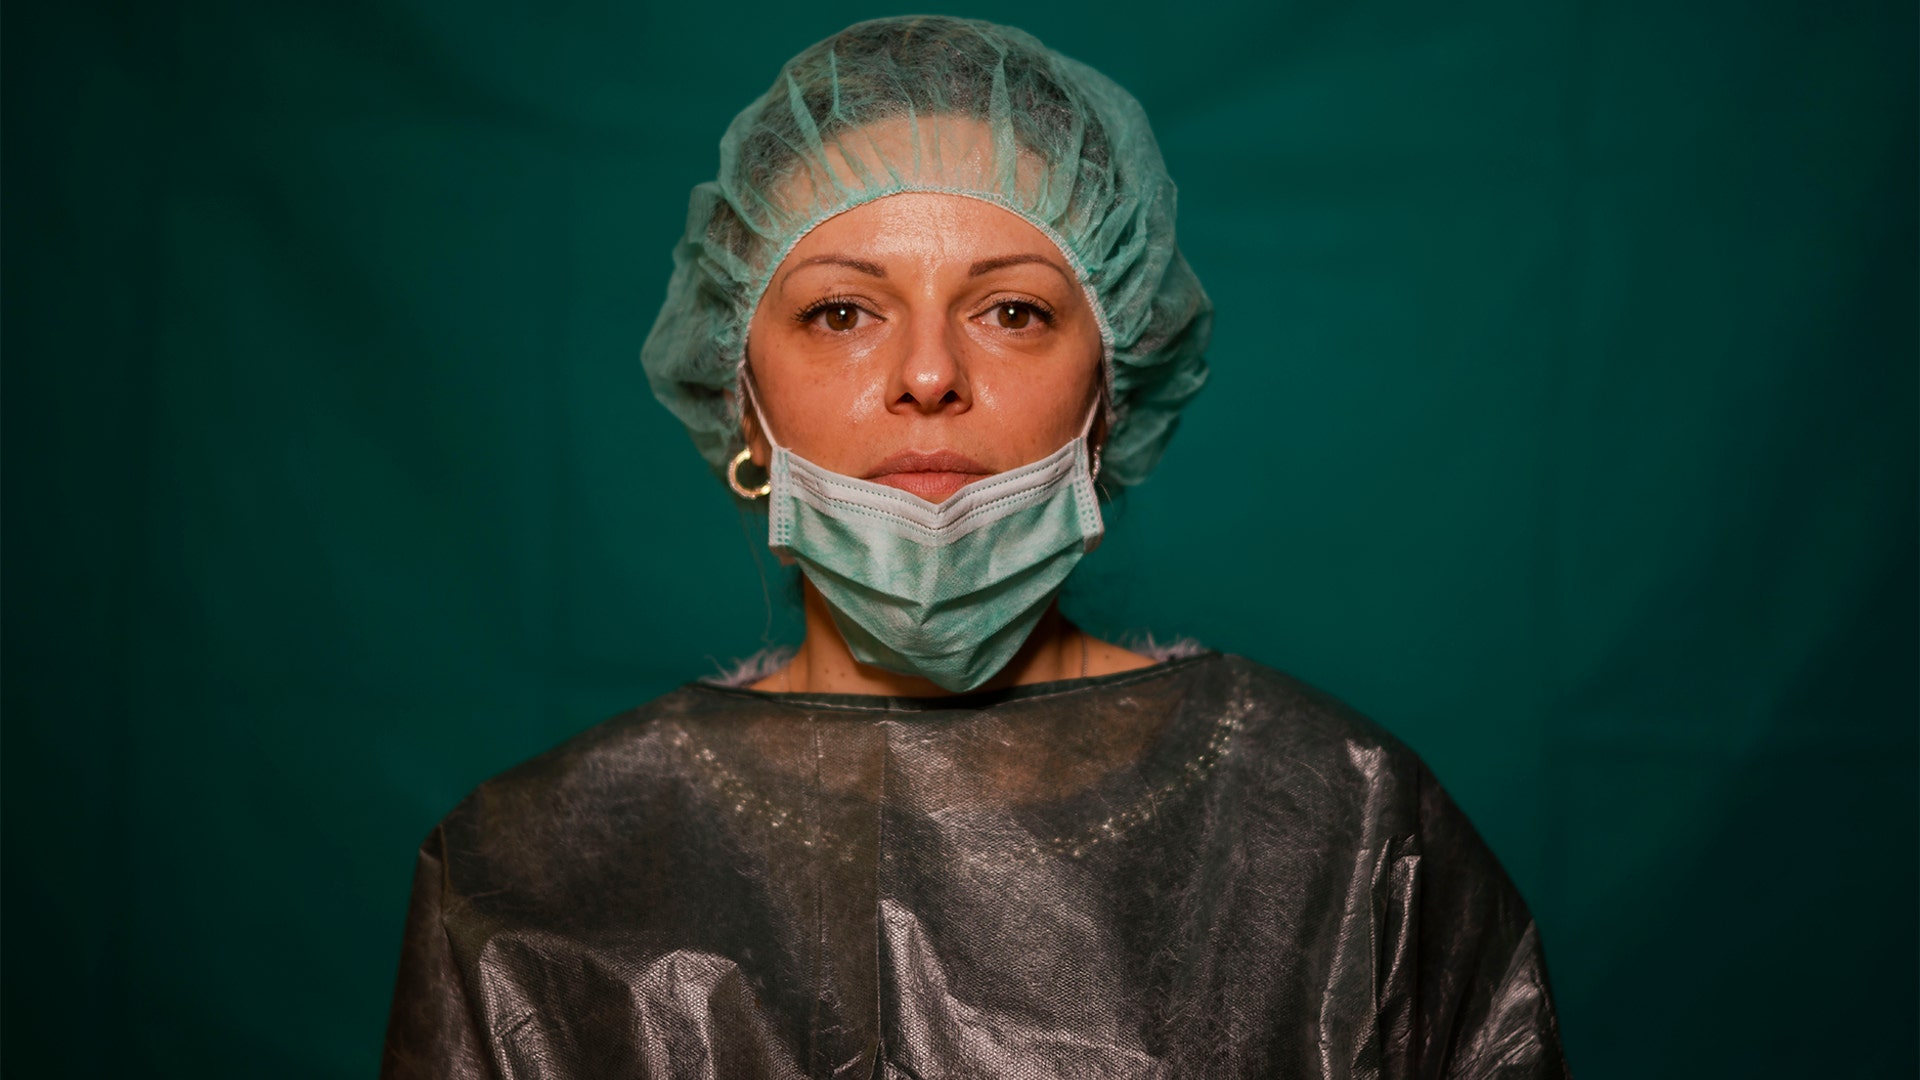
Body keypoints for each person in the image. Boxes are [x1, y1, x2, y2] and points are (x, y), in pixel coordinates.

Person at [381, 16, 1571, 1078]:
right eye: (842, 311)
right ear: (743, 399)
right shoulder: (520, 886)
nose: (930, 374)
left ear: (1110, 394)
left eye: (1013, 310)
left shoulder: (1346, 831)